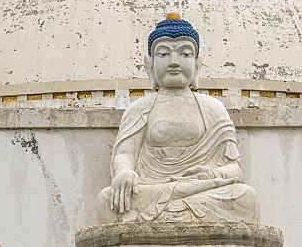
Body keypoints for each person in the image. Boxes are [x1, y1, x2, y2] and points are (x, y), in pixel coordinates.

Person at [96, 14, 260, 225]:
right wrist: (124, 172)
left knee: (245, 197)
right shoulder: (140, 108)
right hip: (151, 188)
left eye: (184, 54)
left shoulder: (212, 108)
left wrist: (208, 173)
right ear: (150, 64)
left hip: (200, 190)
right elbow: (125, 153)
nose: (174, 62)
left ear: (197, 64)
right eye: (164, 54)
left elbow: (234, 170)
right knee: (105, 200)